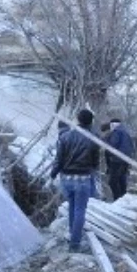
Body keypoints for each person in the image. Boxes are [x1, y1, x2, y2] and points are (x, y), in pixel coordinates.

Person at [50, 108, 101, 252]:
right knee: (80, 210)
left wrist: (53, 175)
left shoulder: (65, 136)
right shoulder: (94, 138)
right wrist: (94, 175)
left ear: (78, 120)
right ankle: (75, 244)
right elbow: (95, 163)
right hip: (83, 179)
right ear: (91, 122)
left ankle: (72, 234)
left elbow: (58, 160)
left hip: (66, 179)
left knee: (72, 207)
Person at [105, 117, 136, 201]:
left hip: (117, 160)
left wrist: (106, 141)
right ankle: (123, 198)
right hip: (126, 160)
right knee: (122, 180)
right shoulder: (126, 132)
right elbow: (132, 147)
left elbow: (112, 146)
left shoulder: (117, 132)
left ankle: (117, 199)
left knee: (113, 181)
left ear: (112, 125)